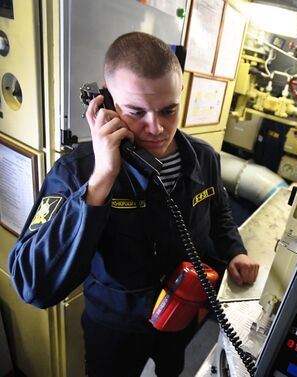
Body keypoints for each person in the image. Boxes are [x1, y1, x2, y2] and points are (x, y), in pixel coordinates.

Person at [8, 31, 259, 377]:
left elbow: (219, 213)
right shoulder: (77, 171)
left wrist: (235, 252)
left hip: (181, 310)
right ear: (106, 103)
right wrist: (100, 182)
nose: (156, 128)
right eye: (135, 111)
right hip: (115, 324)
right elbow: (33, 284)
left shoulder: (204, 159)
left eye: (168, 110)